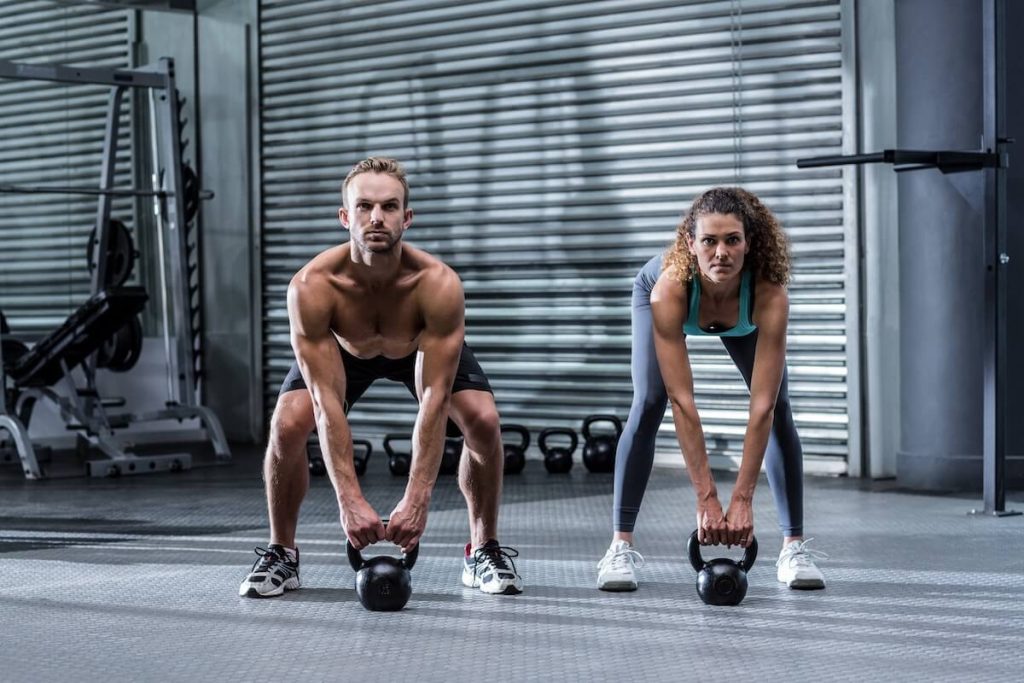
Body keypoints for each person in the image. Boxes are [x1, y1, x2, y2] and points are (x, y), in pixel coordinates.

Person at [240, 157, 523, 598]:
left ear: (406, 218)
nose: (376, 217)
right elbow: (325, 401)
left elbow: (435, 396)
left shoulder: (437, 284)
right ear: (344, 216)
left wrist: (417, 499)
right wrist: (349, 502)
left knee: (483, 421)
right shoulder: (312, 287)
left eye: (390, 207)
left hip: (417, 348)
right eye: (364, 206)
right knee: (286, 424)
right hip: (342, 349)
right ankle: (282, 552)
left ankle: (482, 549)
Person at [597, 187, 826, 592]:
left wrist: (742, 498)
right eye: (709, 241)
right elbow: (682, 402)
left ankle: (794, 547)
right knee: (650, 401)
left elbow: (762, 405)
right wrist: (707, 500)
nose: (721, 252)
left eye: (732, 240)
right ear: (691, 244)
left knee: (780, 408)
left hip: (738, 312)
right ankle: (619, 546)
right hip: (676, 301)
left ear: (749, 244)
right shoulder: (668, 288)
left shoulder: (768, 294)